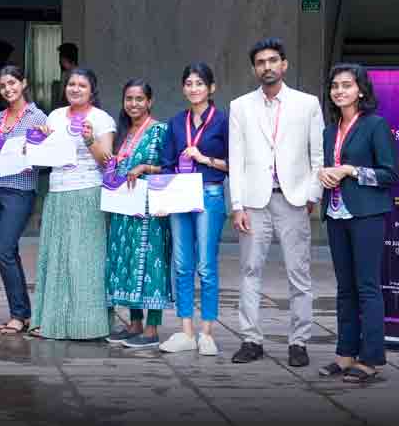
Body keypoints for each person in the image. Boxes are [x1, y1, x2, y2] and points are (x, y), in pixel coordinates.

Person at [228, 37, 324, 367]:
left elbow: (317, 155)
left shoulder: (307, 104)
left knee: (299, 274)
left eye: (272, 61)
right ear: (254, 69)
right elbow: (236, 159)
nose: (266, 67)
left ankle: (299, 342)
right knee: (249, 271)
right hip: (254, 202)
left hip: (293, 199)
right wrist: (237, 205)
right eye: (260, 62)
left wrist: (312, 195)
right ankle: (250, 339)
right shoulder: (240, 106)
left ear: (284, 65)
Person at [317, 63, 396, 383]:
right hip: (336, 213)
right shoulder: (329, 130)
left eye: (347, 85)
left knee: (367, 287)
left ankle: (371, 358)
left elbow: (389, 174)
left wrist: (351, 170)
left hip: (366, 215)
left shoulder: (375, 125)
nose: (340, 91)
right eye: (335, 86)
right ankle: (345, 354)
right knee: (345, 288)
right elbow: (329, 166)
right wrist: (324, 174)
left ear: (360, 90)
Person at [29, 68, 115, 339]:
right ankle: (52, 323)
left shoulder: (101, 118)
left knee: (85, 260)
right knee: (55, 259)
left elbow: (107, 162)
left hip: (88, 192)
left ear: (92, 91)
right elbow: (46, 156)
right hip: (57, 192)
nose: (75, 89)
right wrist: (38, 141)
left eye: (82, 85)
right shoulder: (55, 116)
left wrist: (89, 139)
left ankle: (87, 326)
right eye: (71, 84)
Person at [158, 63, 230, 355]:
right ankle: (186, 331)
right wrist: (164, 199)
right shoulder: (177, 122)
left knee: (206, 266)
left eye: (199, 83)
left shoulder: (223, 121)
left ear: (211, 88)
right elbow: (166, 163)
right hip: (179, 195)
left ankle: (207, 333)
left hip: (209, 194)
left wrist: (204, 158)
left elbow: (234, 164)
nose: (194, 88)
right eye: (188, 83)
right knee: (181, 264)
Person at [104, 80, 171, 349]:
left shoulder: (159, 131)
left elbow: (171, 167)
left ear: (149, 102)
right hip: (124, 209)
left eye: (139, 99)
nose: (133, 104)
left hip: (150, 210)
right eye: (129, 99)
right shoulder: (123, 133)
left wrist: (145, 167)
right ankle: (134, 324)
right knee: (129, 264)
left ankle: (152, 328)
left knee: (151, 264)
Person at [0, 65, 47, 334]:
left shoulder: (37, 117)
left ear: (24, 83)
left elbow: (46, 159)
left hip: (20, 191)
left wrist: (36, 150)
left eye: (12, 83)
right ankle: (21, 313)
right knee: (9, 252)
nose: (8, 89)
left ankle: (19, 315)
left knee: (3, 250)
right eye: (3, 86)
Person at [49, 42, 79, 112]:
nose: (59, 61)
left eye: (60, 57)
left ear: (65, 58)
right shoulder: (66, 73)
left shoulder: (76, 76)